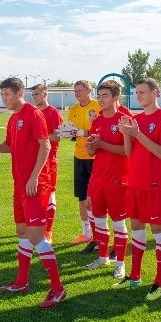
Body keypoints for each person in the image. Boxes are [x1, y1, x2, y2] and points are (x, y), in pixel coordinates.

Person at [0, 77, 66, 308]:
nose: (4, 99)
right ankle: (21, 282)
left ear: (20, 93)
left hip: (34, 185)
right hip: (20, 184)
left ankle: (58, 288)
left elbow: (45, 145)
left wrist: (34, 177)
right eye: (2, 95)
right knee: (22, 232)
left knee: (36, 235)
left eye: (7, 94)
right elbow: (9, 145)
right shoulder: (13, 118)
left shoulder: (33, 113)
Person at [112, 78, 161, 301]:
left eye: (142, 92)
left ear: (155, 93)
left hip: (155, 184)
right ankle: (135, 276)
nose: (138, 96)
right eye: (136, 92)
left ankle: (159, 282)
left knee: (158, 231)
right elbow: (129, 153)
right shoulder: (136, 119)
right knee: (137, 228)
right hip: (135, 182)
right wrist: (126, 134)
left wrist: (138, 133)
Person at [84, 80, 130, 279]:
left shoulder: (125, 120)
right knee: (99, 220)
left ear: (115, 98)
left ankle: (120, 263)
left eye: (105, 96)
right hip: (98, 178)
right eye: (99, 95)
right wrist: (91, 146)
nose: (100, 99)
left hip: (118, 179)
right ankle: (103, 257)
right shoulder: (98, 120)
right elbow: (93, 152)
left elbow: (128, 151)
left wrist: (101, 144)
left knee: (118, 222)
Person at [67, 80, 102, 252]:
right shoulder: (73, 110)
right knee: (81, 197)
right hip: (79, 156)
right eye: (75, 91)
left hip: (95, 157)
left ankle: (100, 234)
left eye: (80, 90)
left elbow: (101, 131)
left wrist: (83, 132)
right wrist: (68, 133)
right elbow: (73, 133)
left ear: (89, 91)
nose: (77, 93)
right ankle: (86, 233)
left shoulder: (98, 106)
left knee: (95, 198)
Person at [31, 84, 64, 243]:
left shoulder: (54, 113)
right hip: (33, 159)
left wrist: (38, 135)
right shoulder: (33, 112)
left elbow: (57, 136)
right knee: (34, 194)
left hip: (50, 160)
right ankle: (36, 226)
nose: (34, 97)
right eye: (33, 95)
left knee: (50, 194)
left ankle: (48, 231)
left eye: (37, 94)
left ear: (45, 94)